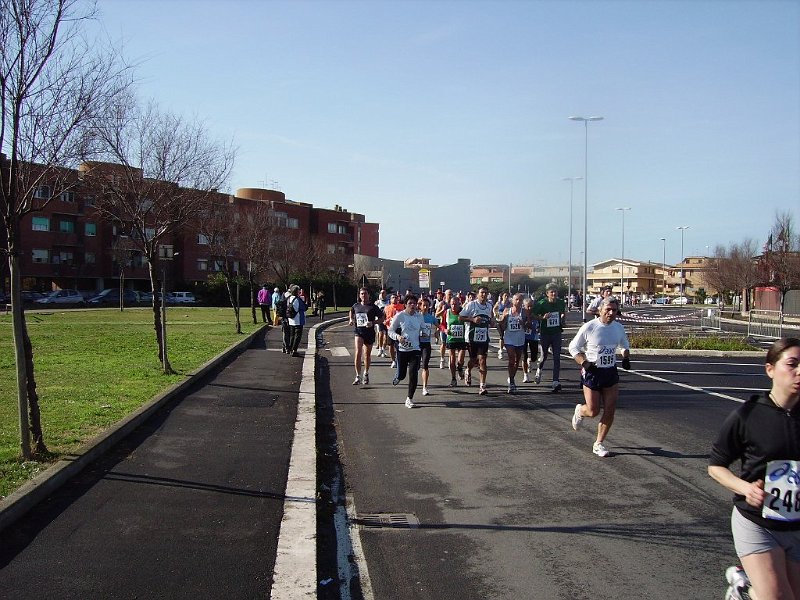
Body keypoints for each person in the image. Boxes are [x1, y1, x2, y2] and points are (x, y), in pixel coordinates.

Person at [708, 338, 800, 600]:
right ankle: (747, 586)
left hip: (796, 523)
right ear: (770, 369)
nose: (799, 371)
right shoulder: (747, 415)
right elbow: (716, 467)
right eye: (792, 364)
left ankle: (744, 585)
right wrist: (745, 487)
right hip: (757, 522)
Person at [567, 296, 631, 457]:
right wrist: (584, 363)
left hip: (609, 371)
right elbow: (573, 347)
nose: (611, 313)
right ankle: (580, 411)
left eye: (614, 310)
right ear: (600, 310)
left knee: (610, 410)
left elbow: (624, 345)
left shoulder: (618, 328)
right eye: (608, 310)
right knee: (593, 410)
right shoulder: (590, 327)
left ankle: (599, 443)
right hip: (592, 372)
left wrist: (625, 357)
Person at [388, 294, 424, 408]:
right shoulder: (400, 316)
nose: (412, 305)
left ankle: (409, 398)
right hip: (402, 349)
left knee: (413, 374)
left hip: (415, 349)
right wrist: (398, 337)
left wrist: (425, 332)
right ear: (405, 305)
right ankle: (398, 377)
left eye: (414, 303)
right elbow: (390, 331)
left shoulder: (419, 316)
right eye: (410, 303)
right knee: (402, 375)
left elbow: (423, 328)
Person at [459, 286, 493, 395]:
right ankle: (468, 370)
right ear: (478, 294)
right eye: (482, 293)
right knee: (473, 360)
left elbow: (490, 319)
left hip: (483, 338)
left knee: (482, 360)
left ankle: (482, 386)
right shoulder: (471, 305)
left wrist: (492, 322)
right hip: (471, 337)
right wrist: (472, 319)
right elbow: (460, 317)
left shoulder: (489, 306)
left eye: (486, 293)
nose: (484, 295)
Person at [533, 283, 567, 392]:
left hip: (556, 332)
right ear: (547, 294)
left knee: (557, 357)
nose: (554, 294)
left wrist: (562, 319)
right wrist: (542, 317)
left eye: (555, 291)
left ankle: (555, 381)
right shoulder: (542, 303)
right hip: (545, 333)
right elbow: (533, 314)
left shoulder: (561, 302)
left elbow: (562, 313)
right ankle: (539, 369)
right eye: (551, 292)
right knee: (544, 356)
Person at [348, 288, 383, 385]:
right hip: (359, 332)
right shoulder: (356, 306)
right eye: (362, 294)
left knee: (367, 355)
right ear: (359, 295)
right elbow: (351, 311)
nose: (364, 295)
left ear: (368, 295)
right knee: (358, 352)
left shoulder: (373, 307)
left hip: (369, 333)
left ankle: (366, 373)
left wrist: (373, 323)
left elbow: (382, 318)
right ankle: (357, 376)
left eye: (365, 294)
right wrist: (351, 319)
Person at [498, 293, 529, 394]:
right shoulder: (507, 311)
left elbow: (529, 326)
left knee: (517, 361)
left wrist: (523, 324)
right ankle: (511, 382)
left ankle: (512, 377)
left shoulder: (525, 312)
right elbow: (502, 326)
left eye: (520, 300)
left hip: (520, 339)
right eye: (516, 300)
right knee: (511, 359)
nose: (518, 302)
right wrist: (503, 319)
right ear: (512, 301)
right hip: (509, 338)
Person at [445, 295, 466, 387]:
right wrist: (445, 330)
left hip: (462, 339)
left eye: (455, 304)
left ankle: (460, 368)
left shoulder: (463, 312)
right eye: (452, 304)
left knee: (460, 360)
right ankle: (453, 378)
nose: (453, 306)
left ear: (459, 304)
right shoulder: (447, 312)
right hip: (451, 339)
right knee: (452, 360)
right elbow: (442, 324)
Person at [521, 296, 540, 383]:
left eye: (531, 306)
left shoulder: (535, 314)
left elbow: (539, 323)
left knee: (534, 356)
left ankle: (530, 361)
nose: (529, 308)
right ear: (524, 306)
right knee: (523, 356)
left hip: (533, 337)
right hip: (523, 337)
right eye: (527, 306)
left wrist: (537, 328)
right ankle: (525, 375)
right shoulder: (521, 314)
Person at [285, 285, 307, 357]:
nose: (299, 292)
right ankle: (294, 350)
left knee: (292, 335)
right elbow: (304, 307)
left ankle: (290, 348)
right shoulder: (298, 299)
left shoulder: (289, 298)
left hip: (291, 319)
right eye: (298, 291)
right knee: (298, 336)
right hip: (298, 320)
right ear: (296, 291)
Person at [435, 289, 453, 369]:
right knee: (444, 343)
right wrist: (443, 310)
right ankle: (442, 359)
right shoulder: (442, 303)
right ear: (445, 295)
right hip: (443, 326)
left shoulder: (453, 303)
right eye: (449, 294)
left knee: (451, 345)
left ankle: (450, 360)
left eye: (451, 294)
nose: (450, 295)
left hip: (451, 326)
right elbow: (436, 315)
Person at [493, 291, 511, 361]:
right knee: (501, 336)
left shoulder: (510, 304)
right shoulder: (499, 303)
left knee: (506, 336)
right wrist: (496, 314)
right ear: (502, 296)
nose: (506, 297)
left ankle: (508, 349)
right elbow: (494, 309)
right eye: (505, 296)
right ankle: (501, 350)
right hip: (499, 320)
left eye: (507, 296)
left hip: (507, 321)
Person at [374, 289, 389, 358]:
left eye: (384, 293)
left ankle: (383, 349)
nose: (382, 294)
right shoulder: (377, 302)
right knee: (380, 334)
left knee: (386, 337)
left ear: (386, 294)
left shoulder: (389, 302)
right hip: (380, 320)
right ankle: (380, 349)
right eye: (381, 293)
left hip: (387, 321)